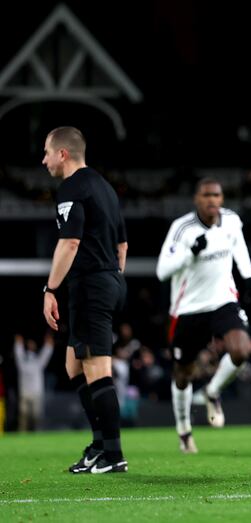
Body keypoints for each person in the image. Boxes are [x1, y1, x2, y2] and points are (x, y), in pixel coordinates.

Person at [41, 126, 129, 473]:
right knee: (73, 366)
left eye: (47, 151)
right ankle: (98, 444)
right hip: (106, 281)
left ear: (63, 154)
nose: (43, 159)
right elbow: (122, 244)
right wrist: (113, 279)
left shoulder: (72, 188)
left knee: (96, 369)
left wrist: (49, 290)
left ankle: (113, 453)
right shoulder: (104, 188)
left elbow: (70, 242)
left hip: (91, 285)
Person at [156, 178, 251, 453]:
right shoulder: (182, 229)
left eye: (216, 195)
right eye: (206, 195)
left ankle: (212, 392)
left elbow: (238, 247)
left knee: (240, 350)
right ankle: (183, 431)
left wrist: (248, 278)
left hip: (222, 300)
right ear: (196, 199)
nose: (212, 200)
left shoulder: (231, 221)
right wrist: (190, 253)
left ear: (222, 198)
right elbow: (162, 271)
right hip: (188, 309)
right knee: (183, 373)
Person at [13, 334, 54, 431]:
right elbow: (18, 353)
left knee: (37, 416)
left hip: (36, 393)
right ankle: (22, 434)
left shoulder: (38, 361)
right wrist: (18, 343)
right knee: (23, 416)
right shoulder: (23, 361)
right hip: (25, 392)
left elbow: (46, 354)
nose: (31, 346)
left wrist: (49, 345)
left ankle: (37, 433)